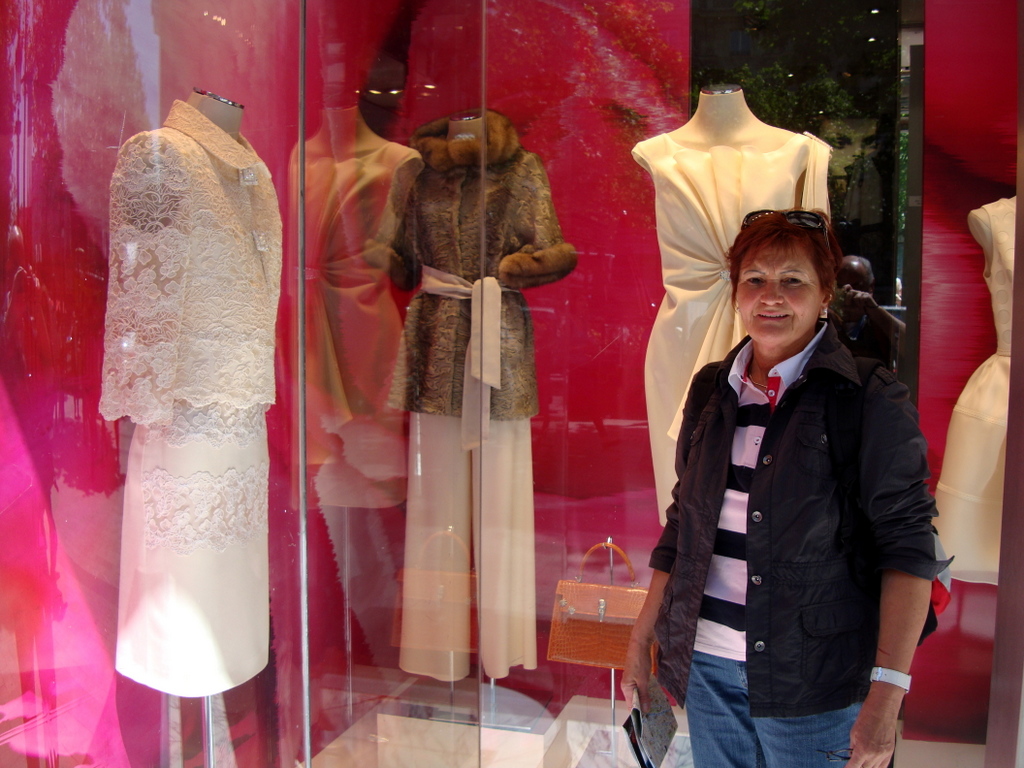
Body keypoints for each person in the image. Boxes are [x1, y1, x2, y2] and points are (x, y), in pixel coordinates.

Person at [622, 209, 942, 768]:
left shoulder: (867, 397)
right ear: (736, 293)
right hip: (707, 670)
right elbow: (683, 525)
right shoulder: (712, 389)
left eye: (793, 280)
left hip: (816, 682)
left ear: (825, 295)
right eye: (755, 279)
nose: (771, 296)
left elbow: (909, 549)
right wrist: (640, 640)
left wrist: (887, 696)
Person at [830, 254, 905, 371]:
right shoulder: (826, 320)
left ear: (870, 286)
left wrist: (875, 311)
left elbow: (913, 346)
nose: (847, 293)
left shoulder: (878, 323)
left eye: (856, 286)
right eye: (840, 286)